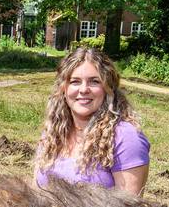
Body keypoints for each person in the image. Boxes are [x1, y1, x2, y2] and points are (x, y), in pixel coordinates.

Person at [34, 47, 149, 195]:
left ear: (108, 88)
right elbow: (35, 195)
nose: (83, 90)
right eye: (75, 82)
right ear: (64, 88)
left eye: (94, 82)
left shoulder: (126, 137)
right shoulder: (52, 133)